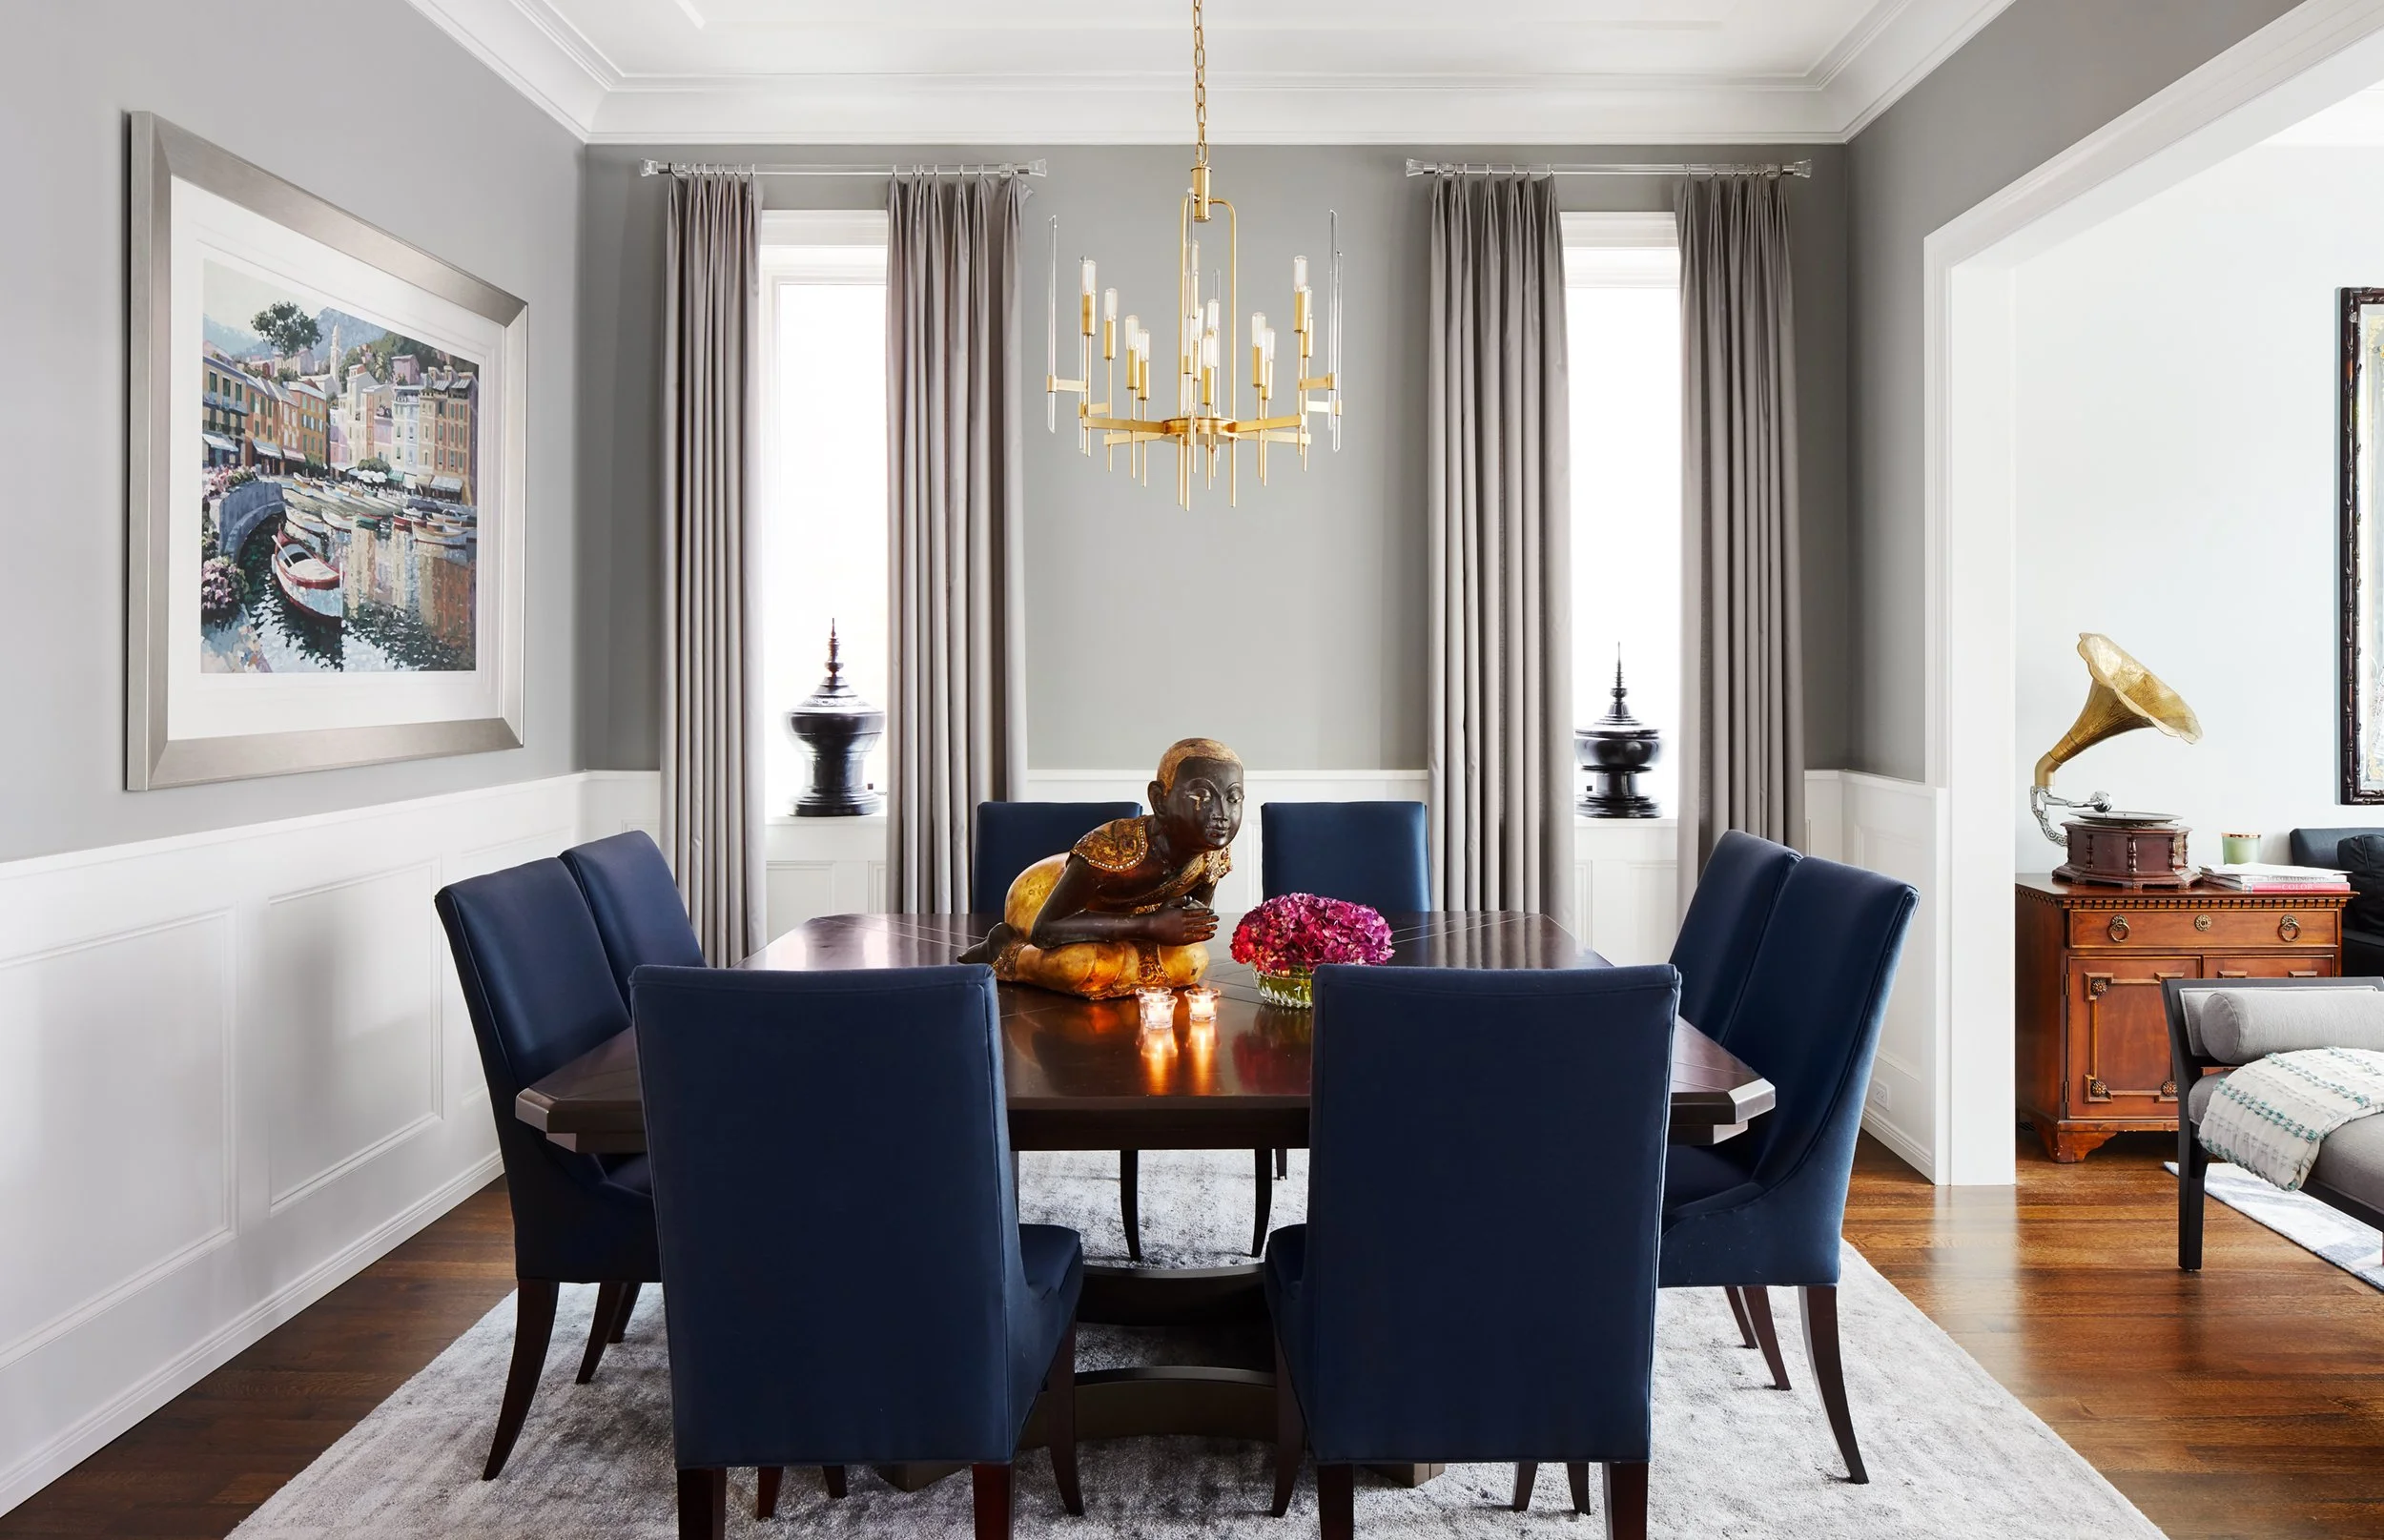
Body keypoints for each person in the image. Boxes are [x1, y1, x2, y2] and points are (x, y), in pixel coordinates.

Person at [959, 738, 1243, 998]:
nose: (1221, 814)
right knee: (1079, 965)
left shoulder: (1212, 853)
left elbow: (1189, 929)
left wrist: (1178, 924)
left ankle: (1119, 966)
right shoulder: (1112, 846)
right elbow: (1046, 930)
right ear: (1160, 800)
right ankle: (1007, 951)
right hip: (1041, 897)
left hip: (1123, 924)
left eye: (1233, 798)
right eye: (1202, 796)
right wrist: (1150, 925)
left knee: (1192, 959)